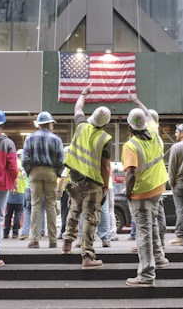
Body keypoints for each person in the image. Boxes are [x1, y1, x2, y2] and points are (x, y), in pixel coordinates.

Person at [62, 84, 112, 270]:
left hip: (75, 179)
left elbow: (77, 108)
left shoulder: (81, 125)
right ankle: (87, 256)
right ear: (105, 123)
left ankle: (67, 244)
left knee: (74, 211)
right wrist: (105, 186)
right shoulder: (105, 138)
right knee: (90, 218)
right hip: (93, 183)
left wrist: (83, 93)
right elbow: (105, 166)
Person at [122, 101, 169, 287]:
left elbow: (131, 173)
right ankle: (159, 258)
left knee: (143, 233)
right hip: (157, 188)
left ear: (129, 126)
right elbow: (149, 117)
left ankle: (147, 275)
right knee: (153, 225)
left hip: (140, 194)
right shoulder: (156, 136)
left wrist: (127, 192)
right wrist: (136, 100)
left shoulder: (130, 146)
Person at [22, 111, 64, 249]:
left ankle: (34, 239)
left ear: (39, 124)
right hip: (50, 172)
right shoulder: (56, 139)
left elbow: (25, 159)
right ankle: (53, 240)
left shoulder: (29, 138)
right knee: (51, 205)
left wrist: (30, 171)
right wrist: (56, 173)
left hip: (35, 171)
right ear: (49, 123)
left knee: (35, 205)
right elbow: (60, 160)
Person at [0, 109, 18, 268]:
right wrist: (10, 181)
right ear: (2, 124)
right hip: (0, 186)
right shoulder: (8, 143)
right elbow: (13, 168)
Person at [3, 149, 27, 239]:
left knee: (8, 213)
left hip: (10, 191)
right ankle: (15, 233)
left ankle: (6, 232)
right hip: (20, 191)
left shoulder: (11, 163)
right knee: (18, 213)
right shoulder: (23, 165)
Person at [18, 176, 46, 240]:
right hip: (41, 188)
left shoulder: (27, 166)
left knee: (27, 209)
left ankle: (25, 232)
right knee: (40, 209)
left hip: (29, 187)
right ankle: (40, 231)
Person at [57, 146, 70, 239]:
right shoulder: (75, 163)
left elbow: (62, 178)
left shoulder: (65, 163)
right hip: (75, 191)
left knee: (64, 211)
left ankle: (63, 230)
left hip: (66, 191)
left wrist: (59, 190)